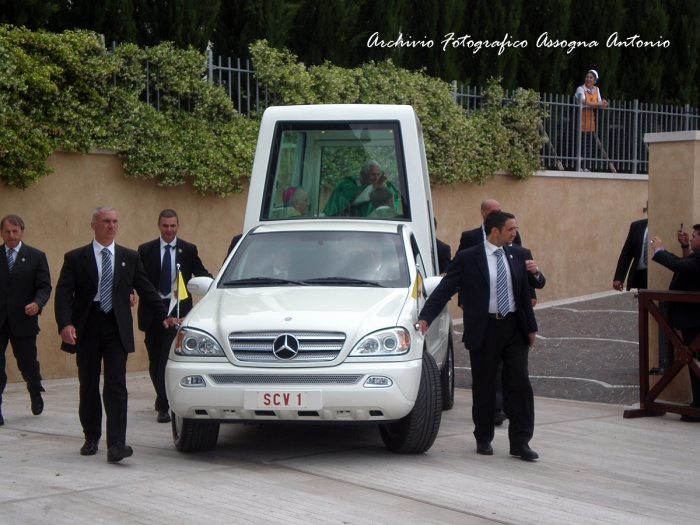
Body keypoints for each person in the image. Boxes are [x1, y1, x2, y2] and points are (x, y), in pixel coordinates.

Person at [54, 206, 180, 462]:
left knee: (116, 386)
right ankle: (91, 437)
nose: (111, 226)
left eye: (114, 221)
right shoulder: (76, 258)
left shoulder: (128, 257)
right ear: (93, 225)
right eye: (105, 221)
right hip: (87, 326)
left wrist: (163, 314)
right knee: (88, 383)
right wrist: (65, 324)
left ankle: (117, 444)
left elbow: (145, 288)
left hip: (116, 326)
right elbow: (64, 294)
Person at [418, 211, 539, 460]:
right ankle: (483, 437)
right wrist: (425, 316)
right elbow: (445, 289)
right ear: (495, 231)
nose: (515, 233)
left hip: (514, 327)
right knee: (484, 386)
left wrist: (530, 328)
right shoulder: (468, 258)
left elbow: (525, 293)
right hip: (485, 329)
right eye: (511, 229)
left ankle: (521, 441)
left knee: (520, 385)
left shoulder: (519, 254)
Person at [137, 209, 212, 423]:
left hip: (177, 309)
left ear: (178, 226)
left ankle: (164, 405)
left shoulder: (188, 249)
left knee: (165, 359)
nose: (169, 230)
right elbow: (136, 277)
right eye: (165, 226)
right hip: (152, 309)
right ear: (159, 226)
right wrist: (128, 293)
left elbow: (201, 272)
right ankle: (161, 395)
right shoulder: (145, 250)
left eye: (173, 226)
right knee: (154, 357)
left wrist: (220, 284)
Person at [0, 215, 52, 426]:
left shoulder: (36, 256)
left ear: (22, 232)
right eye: (7, 232)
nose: (11, 236)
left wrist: (37, 303)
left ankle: (34, 390)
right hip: (1, 320)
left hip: (24, 320)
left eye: (15, 231)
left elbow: (44, 286)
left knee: (28, 364)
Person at [651, 227, 700, 422]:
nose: (692, 238)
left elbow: (680, 265)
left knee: (695, 362)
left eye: (695, 236)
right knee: (694, 362)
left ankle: (698, 407)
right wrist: (685, 246)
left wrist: (659, 251)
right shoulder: (696, 257)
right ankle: (697, 404)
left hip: (695, 320)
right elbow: (687, 263)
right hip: (692, 319)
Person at [322, 160, 399, 217]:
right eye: (373, 174)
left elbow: (393, 203)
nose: (376, 178)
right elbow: (352, 199)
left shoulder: (386, 186)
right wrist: (378, 183)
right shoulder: (347, 183)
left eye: (378, 175)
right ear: (362, 173)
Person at [574, 69, 608, 171]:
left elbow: (598, 102)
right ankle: (578, 166)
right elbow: (584, 101)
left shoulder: (596, 90)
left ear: (595, 80)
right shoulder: (580, 89)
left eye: (591, 77)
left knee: (587, 144)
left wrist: (603, 103)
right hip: (580, 119)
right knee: (579, 143)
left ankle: (585, 166)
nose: (588, 79)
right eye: (587, 77)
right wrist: (599, 103)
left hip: (590, 121)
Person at [457, 199, 521, 252]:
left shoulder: (513, 234)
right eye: (493, 212)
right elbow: (459, 263)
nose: (497, 215)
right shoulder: (469, 237)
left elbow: (519, 257)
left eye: (499, 211)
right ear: (483, 213)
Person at [613, 216, 649, 291]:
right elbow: (627, 253)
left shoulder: (664, 226)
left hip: (657, 273)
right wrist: (619, 277)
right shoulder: (637, 226)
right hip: (641, 274)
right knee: (644, 300)